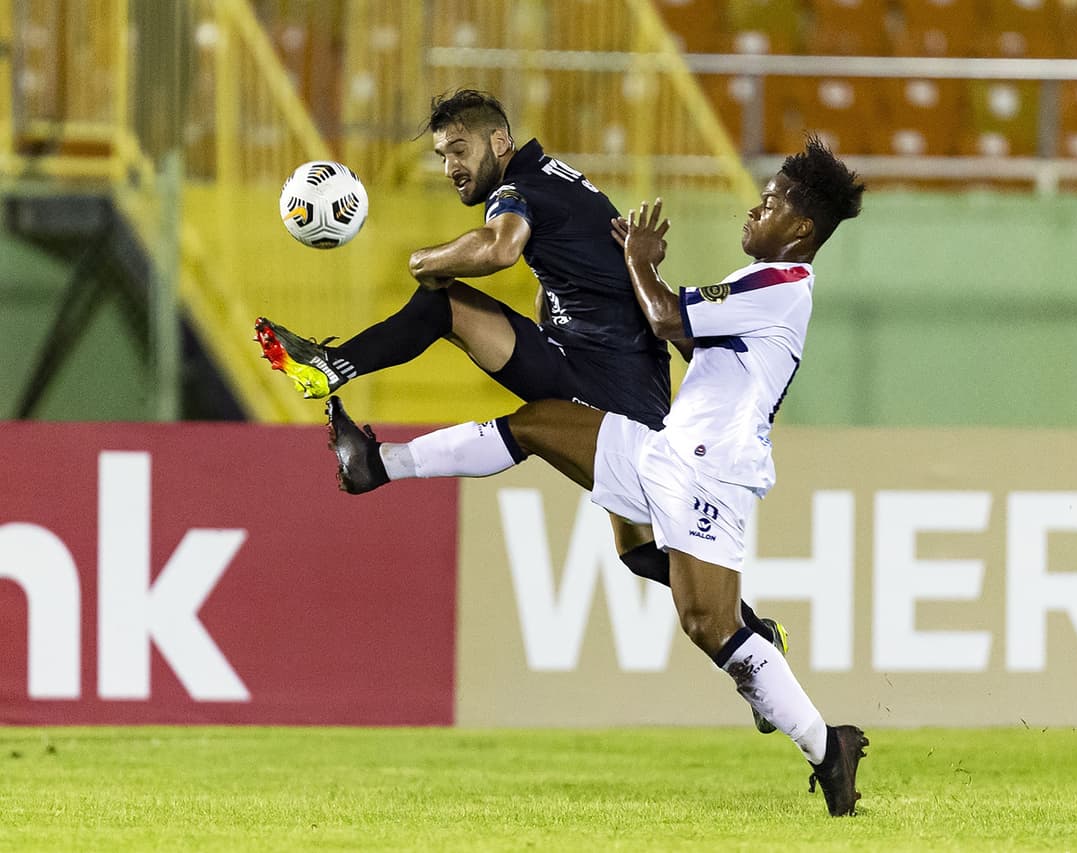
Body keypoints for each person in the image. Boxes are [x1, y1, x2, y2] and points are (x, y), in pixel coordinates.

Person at [325, 138, 870, 816]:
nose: (756, 210)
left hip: (713, 476)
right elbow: (689, 340)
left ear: (802, 230)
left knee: (708, 624)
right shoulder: (766, 287)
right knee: (539, 423)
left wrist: (640, 264)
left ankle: (827, 743)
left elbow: (668, 314)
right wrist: (649, 280)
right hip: (669, 453)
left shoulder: (780, 286)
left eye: (772, 203)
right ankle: (376, 463)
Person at [256, 88, 789, 730]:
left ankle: (754, 644)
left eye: (459, 149)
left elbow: (499, 249)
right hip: (590, 366)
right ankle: (757, 643)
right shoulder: (552, 180)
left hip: (612, 391)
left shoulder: (520, 189)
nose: (450, 164)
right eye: (440, 154)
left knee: (443, 300)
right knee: (638, 550)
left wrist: (422, 260)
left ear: (499, 143)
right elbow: (571, 274)